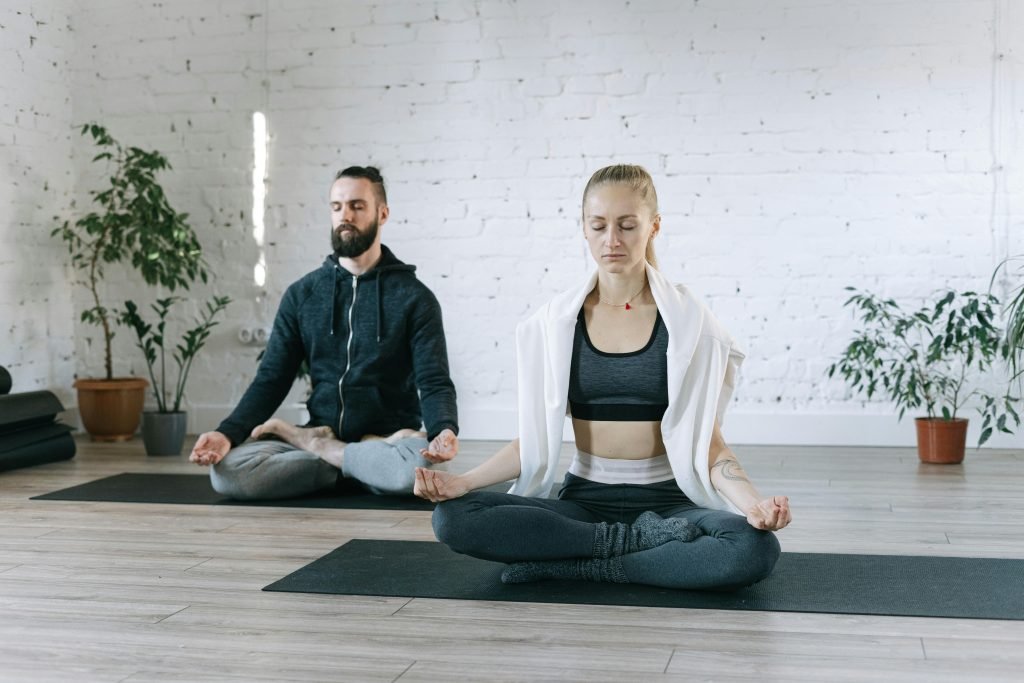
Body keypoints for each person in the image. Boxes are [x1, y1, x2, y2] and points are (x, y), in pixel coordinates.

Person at [415, 164, 790, 590]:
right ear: (585, 230)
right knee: (453, 518)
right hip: (584, 503)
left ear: (654, 226)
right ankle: (634, 547)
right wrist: (461, 482)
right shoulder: (555, 324)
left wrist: (755, 504)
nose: (612, 240)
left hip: (670, 505)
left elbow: (710, 445)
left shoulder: (689, 325)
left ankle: (578, 565)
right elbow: (531, 440)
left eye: (627, 226)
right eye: (598, 226)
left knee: (753, 548)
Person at [190, 166, 460, 499]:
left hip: (391, 437)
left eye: (357, 206)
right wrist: (226, 434)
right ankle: (356, 466)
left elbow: (434, 380)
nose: (345, 215)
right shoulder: (303, 295)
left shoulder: (414, 298)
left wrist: (442, 430)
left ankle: (328, 453)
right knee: (228, 474)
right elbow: (271, 378)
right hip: (329, 432)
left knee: (423, 469)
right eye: (337, 207)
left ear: (383, 213)